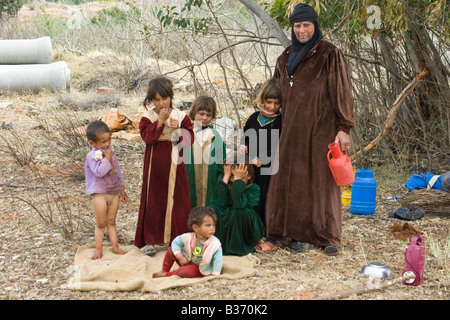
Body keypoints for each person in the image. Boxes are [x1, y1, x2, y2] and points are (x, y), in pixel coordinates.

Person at [265, 3, 354, 256]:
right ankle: (290, 234)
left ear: (315, 26)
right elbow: (274, 93)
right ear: (292, 28)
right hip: (290, 131)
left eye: (306, 25)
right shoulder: (284, 57)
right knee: (290, 180)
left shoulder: (329, 54)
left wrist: (344, 127)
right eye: (297, 26)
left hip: (321, 129)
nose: (302, 30)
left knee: (321, 182)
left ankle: (327, 236)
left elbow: (342, 92)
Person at [134, 76, 194, 256]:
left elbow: (190, 141)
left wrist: (178, 131)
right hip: (155, 167)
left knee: (179, 201)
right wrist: (159, 121)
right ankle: (151, 240)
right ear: (151, 100)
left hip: (177, 165)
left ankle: (178, 239)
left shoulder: (182, 116)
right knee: (153, 200)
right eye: (156, 99)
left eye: (164, 98)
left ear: (171, 96)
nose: (161, 103)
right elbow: (148, 138)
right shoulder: (148, 116)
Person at [239, 78, 282, 253]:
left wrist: (266, 158)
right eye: (268, 101)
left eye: (276, 103)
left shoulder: (280, 121)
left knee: (267, 198)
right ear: (262, 99)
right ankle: (253, 231)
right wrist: (243, 147)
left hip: (270, 169)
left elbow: (282, 146)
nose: (271, 106)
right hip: (252, 169)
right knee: (253, 198)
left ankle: (268, 232)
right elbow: (245, 138)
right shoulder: (253, 118)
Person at [85, 120, 128, 260]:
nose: (107, 144)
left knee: (111, 221)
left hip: (113, 191)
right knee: (101, 222)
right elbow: (99, 172)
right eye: (103, 142)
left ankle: (115, 247)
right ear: (93, 143)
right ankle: (98, 249)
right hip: (100, 194)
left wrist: (122, 187)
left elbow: (117, 171)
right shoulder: (92, 156)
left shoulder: (110, 153)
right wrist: (107, 159)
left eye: (109, 140)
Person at [210, 153, 265, 255]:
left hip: (248, 224)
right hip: (231, 219)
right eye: (232, 176)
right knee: (215, 208)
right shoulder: (227, 182)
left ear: (248, 175)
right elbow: (219, 203)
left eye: (237, 176)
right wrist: (226, 176)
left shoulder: (254, 188)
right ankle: (217, 245)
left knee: (239, 211)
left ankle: (236, 248)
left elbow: (240, 204)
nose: (233, 180)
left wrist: (238, 181)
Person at [152, 206, 222, 278]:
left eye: (213, 225)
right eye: (208, 225)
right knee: (171, 250)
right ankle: (164, 270)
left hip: (199, 268)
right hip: (186, 260)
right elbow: (175, 242)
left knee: (186, 272)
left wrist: (214, 274)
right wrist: (180, 257)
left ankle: (166, 275)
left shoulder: (215, 243)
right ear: (196, 228)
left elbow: (218, 260)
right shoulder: (189, 237)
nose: (212, 228)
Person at [185, 96, 226, 208]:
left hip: (210, 184)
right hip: (189, 182)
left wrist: (220, 181)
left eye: (208, 115)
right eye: (201, 114)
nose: (205, 118)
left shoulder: (215, 136)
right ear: (194, 113)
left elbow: (221, 162)